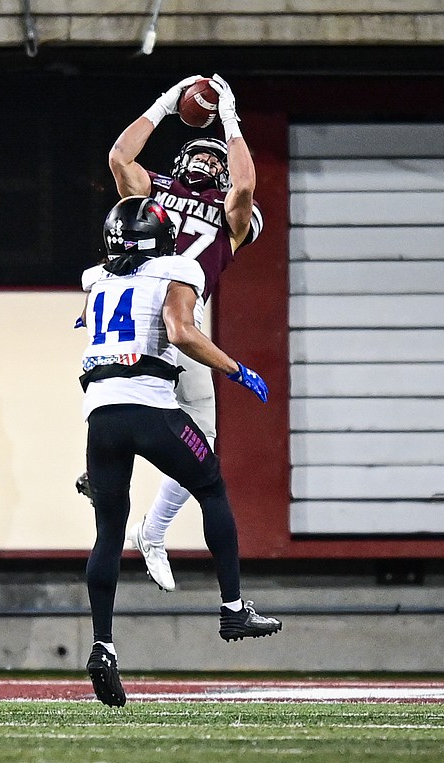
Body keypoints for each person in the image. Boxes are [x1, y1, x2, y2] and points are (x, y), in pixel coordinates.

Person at [80, 195, 281, 708]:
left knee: (107, 530)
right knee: (211, 485)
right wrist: (237, 369)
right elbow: (180, 331)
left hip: (100, 417)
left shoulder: (98, 280)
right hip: (151, 410)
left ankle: (103, 645)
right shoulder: (176, 268)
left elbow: (94, 322)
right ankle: (233, 608)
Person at [80, 72, 264, 593]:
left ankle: (143, 520)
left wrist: (231, 120)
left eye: (217, 158)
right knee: (153, 409)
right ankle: (148, 528)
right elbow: (120, 157)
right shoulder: (155, 188)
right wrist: (164, 103)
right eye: (200, 155)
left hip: (179, 311)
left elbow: (246, 187)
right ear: (182, 159)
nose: (208, 162)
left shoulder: (234, 216)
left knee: (195, 432)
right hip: (145, 309)